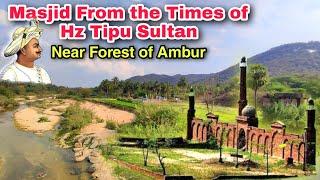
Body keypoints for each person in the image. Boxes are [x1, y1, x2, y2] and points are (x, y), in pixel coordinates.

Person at [0, 20, 51, 84]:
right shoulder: (9, 74)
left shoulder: (43, 73)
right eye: (35, 46)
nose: (40, 49)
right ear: (23, 50)